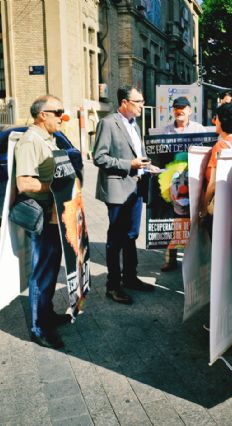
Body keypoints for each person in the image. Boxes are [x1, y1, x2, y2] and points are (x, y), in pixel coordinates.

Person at [93, 86, 157, 304]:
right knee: (116, 240)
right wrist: (129, 164)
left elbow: (138, 154)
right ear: (124, 102)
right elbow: (99, 158)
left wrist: (147, 165)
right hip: (118, 190)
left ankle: (130, 278)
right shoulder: (108, 123)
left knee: (131, 236)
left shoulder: (134, 125)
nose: (141, 105)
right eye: (138, 101)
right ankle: (113, 286)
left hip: (136, 188)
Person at [14, 95, 69, 349]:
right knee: (41, 273)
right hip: (43, 217)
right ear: (41, 115)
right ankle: (38, 327)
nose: (61, 115)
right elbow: (24, 183)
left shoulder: (49, 138)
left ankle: (47, 314)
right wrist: (54, 186)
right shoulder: (30, 141)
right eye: (57, 111)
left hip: (56, 216)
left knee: (50, 270)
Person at [160, 96, 206, 271]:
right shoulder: (166, 131)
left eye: (183, 108)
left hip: (193, 180)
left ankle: (194, 259)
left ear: (189, 110)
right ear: (173, 111)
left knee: (193, 219)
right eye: (176, 108)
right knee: (173, 219)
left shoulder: (198, 129)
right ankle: (170, 259)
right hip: (173, 182)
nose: (179, 110)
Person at [200, 102, 232, 234]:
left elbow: (213, 183)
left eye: (217, 118)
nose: (215, 121)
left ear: (223, 121)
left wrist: (203, 208)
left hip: (219, 208)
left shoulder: (221, 146)